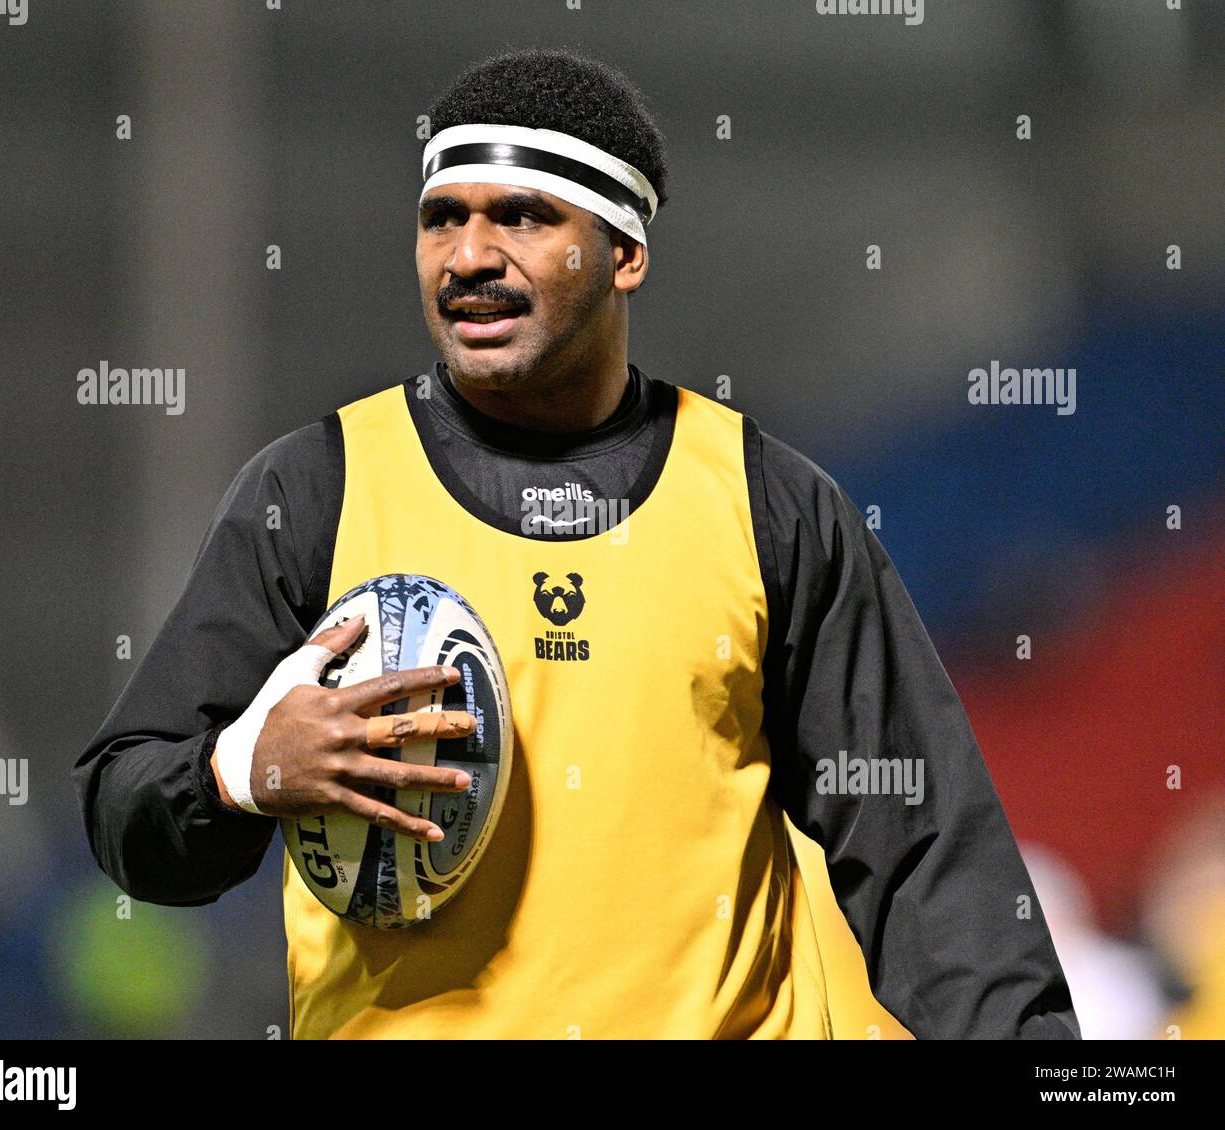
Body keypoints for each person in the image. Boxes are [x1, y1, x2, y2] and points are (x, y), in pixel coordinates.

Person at [72, 47, 1079, 1040]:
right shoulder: (317, 489)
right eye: (441, 219)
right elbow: (126, 813)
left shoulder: (764, 504)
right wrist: (240, 769)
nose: (467, 256)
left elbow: (928, 859)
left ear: (624, 251)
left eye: (520, 215)